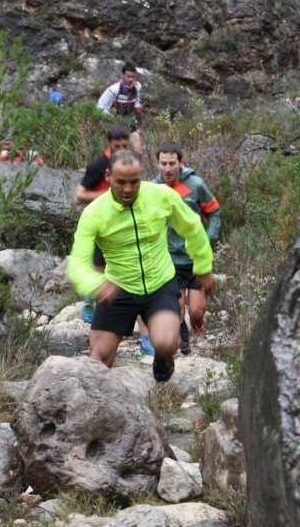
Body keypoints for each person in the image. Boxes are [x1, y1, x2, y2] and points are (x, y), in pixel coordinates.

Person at [67, 149, 214, 381]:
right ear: (108, 176)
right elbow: (78, 263)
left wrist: (203, 266)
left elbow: (192, 226)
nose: (128, 189)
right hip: (118, 287)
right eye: (121, 182)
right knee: (99, 361)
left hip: (160, 283)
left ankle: (164, 360)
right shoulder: (94, 213)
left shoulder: (161, 195)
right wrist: (96, 284)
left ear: (141, 176)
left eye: (134, 182)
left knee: (166, 343)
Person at [75, 126, 154, 355]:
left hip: (126, 229)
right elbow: (79, 195)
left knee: (135, 285)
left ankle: (145, 339)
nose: (121, 148)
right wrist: (109, 196)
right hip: (103, 230)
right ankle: (95, 325)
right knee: (104, 285)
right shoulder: (98, 166)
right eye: (116, 145)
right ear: (108, 143)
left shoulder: (130, 164)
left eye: (124, 144)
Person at [154, 142, 221, 355]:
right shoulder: (152, 189)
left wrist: (208, 238)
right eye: (163, 163)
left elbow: (215, 212)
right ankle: (184, 342)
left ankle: (197, 323)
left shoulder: (196, 184)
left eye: (172, 163)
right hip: (168, 259)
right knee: (177, 307)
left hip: (194, 259)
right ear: (157, 164)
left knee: (197, 311)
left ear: (180, 163)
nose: (167, 168)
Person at [97, 62, 144, 154]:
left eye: (133, 77)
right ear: (123, 76)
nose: (131, 79)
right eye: (128, 76)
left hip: (129, 117)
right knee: (117, 144)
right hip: (113, 118)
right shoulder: (114, 89)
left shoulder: (137, 87)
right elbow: (100, 106)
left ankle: (136, 159)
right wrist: (112, 118)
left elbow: (137, 103)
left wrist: (138, 120)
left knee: (137, 139)